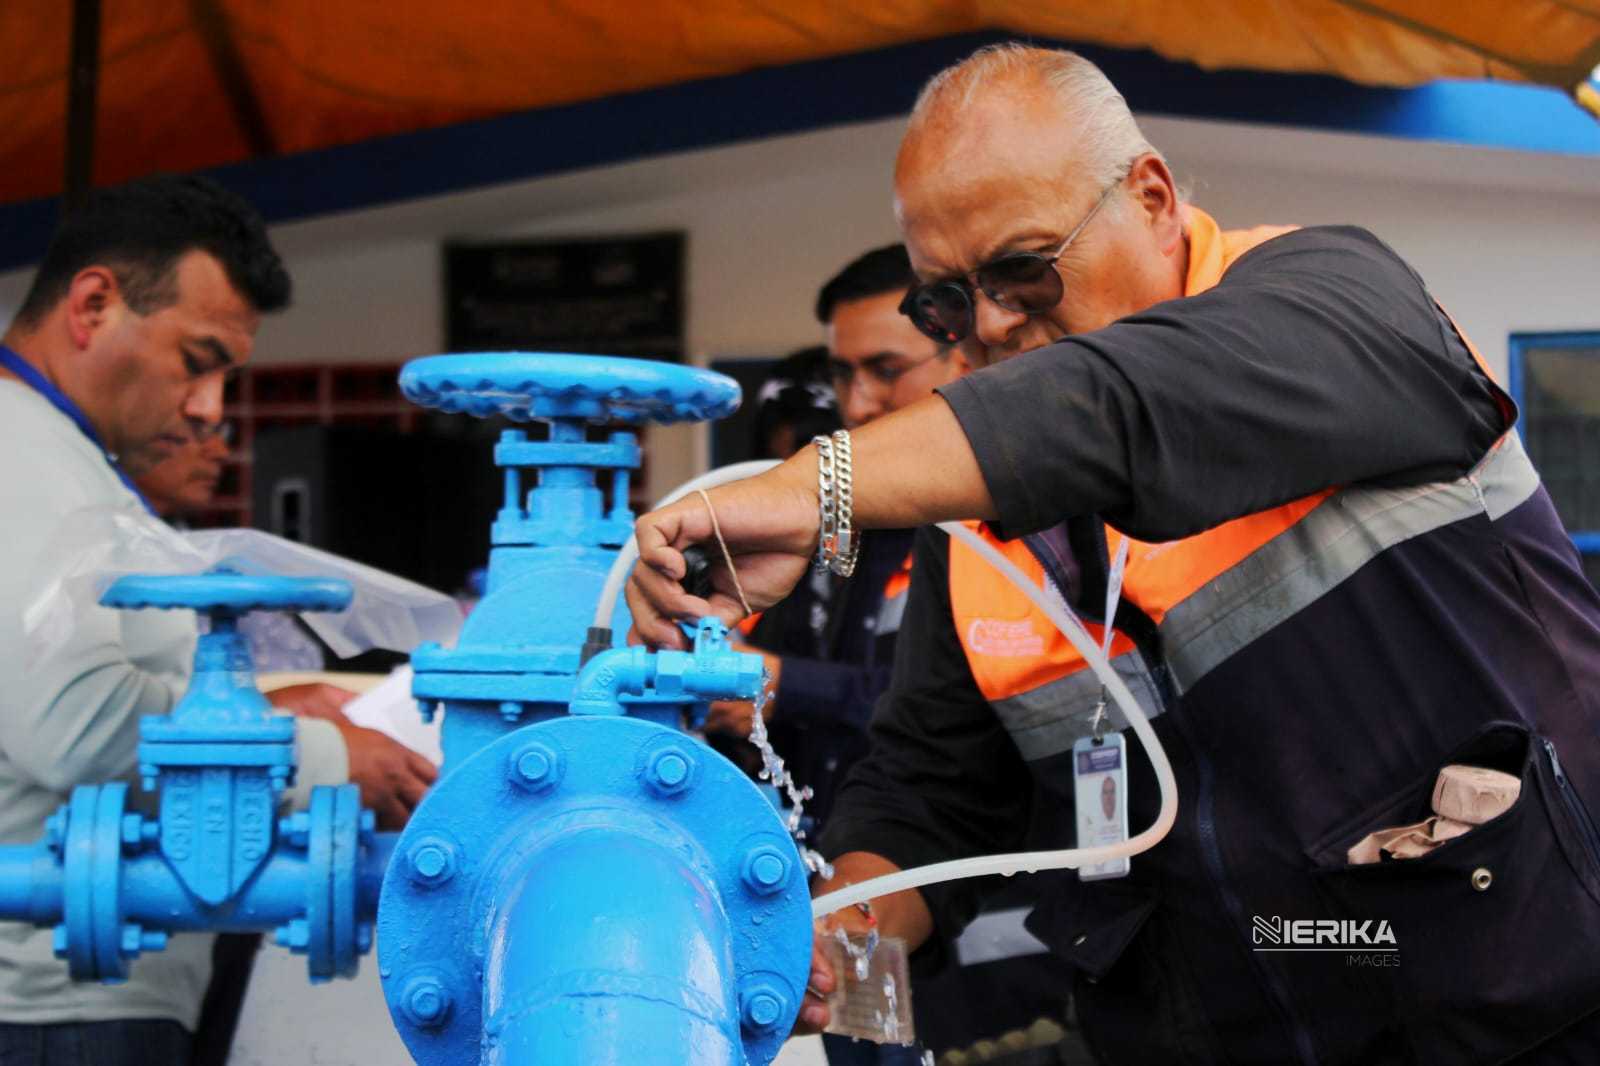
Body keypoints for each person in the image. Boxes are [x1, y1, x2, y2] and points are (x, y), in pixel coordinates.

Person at [626, 44, 1600, 1065]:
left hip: (1526, 1016)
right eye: (945, 303)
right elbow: (929, 786)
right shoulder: (977, 529)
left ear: (1151, 196)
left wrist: (812, 490)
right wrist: (849, 921)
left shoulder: (1341, 306)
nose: (992, 326)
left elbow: (1119, 404)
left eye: (1023, 268)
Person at [0, 175, 434, 1065]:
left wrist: (269, 715)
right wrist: (322, 755)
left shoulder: (60, 460)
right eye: (197, 360)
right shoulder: (24, 455)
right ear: (93, 304)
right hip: (54, 1008)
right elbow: (75, 727)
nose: (209, 410)